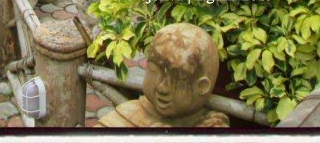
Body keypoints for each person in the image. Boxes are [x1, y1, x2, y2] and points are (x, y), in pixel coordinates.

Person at [97, 23, 229, 128]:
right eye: (154, 71)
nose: (162, 88)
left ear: (202, 86)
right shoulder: (120, 120)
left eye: (176, 78)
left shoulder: (212, 126)